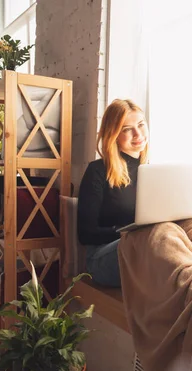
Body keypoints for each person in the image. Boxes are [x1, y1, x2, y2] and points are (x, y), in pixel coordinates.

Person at [77, 99, 149, 287]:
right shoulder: (98, 171)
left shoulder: (151, 172)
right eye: (127, 129)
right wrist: (128, 233)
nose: (137, 133)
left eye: (141, 125)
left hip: (141, 249)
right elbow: (85, 234)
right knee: (154, 241)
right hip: (101, 258)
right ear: (114, 135)